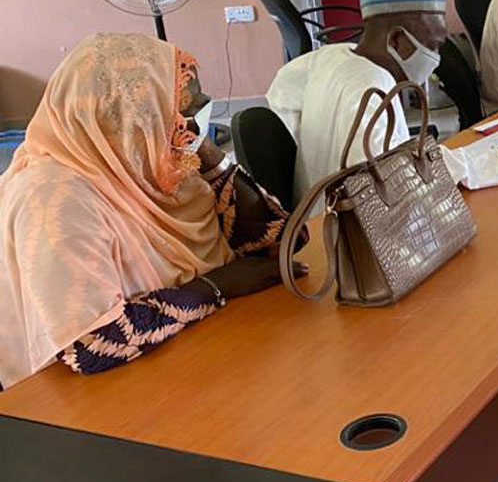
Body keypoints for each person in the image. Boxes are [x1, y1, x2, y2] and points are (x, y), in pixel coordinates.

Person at [0, 34, 297, 386]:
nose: (192, 128)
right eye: (180, 114)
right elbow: (94, 344)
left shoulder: (153, 168)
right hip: (73, 403)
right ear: (127, 121)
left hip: (184, 362)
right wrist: (216, 287)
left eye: (198, 108)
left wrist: (210, 156)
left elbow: (277, 242)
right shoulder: (53, 197)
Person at [268, 0, 498, 203]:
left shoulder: (334, 55)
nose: (436, 58)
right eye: (433, 45)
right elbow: (392, 180)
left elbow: (281, 94)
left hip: (319, 209)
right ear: (396, 39)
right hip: (347, 233)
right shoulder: (373, 86)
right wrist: (485, 166)